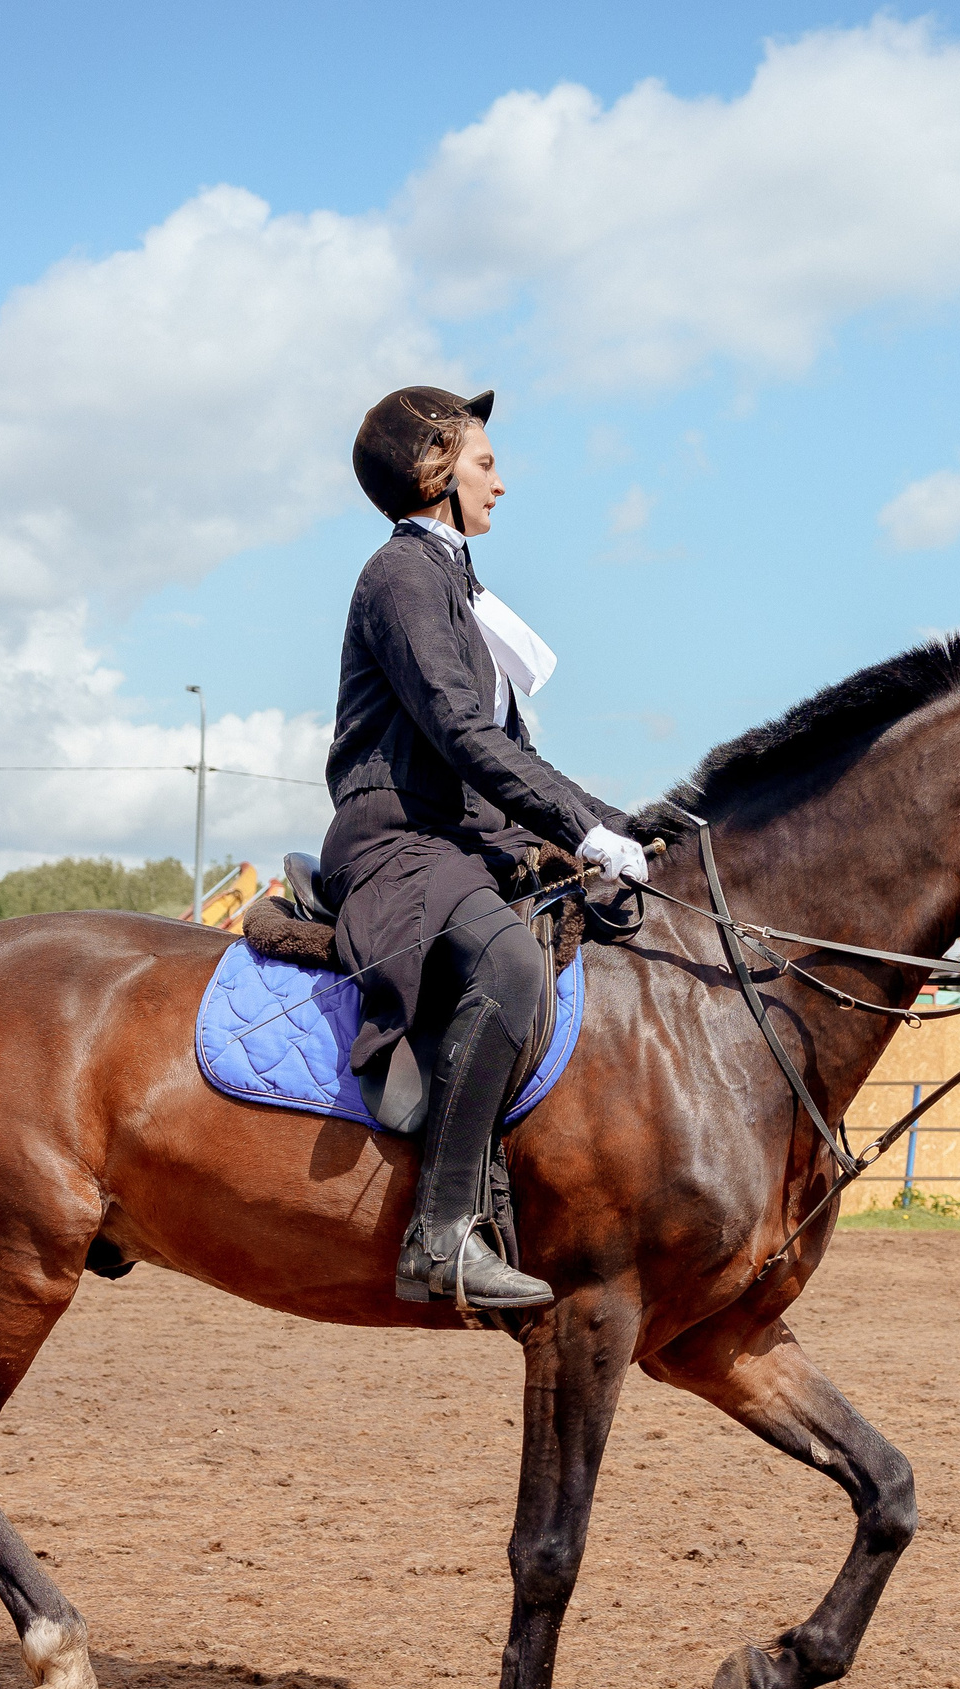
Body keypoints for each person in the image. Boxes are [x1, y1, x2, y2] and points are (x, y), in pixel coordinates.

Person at [324, 385, 649, 1311]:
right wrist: (581, 831)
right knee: (509, 964)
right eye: (486, 463)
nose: (500, 483)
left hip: (458, 837)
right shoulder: (402, 576)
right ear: (435, 470)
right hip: (396, 837)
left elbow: (516, 755)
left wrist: (627, 826)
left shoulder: (459, 587)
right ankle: (441, 1237)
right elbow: (461, 733)